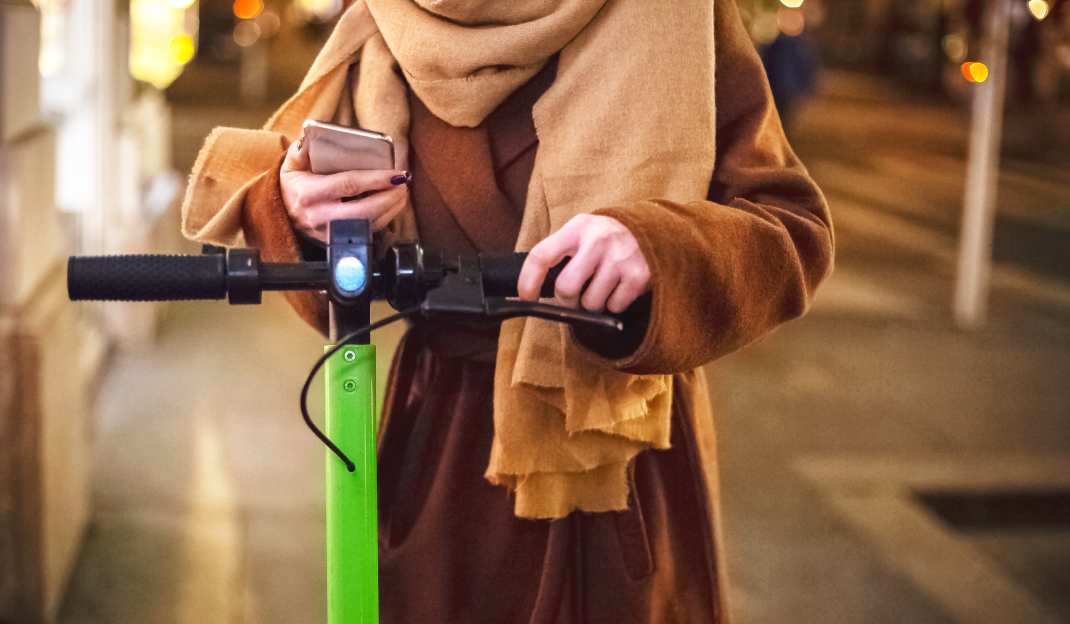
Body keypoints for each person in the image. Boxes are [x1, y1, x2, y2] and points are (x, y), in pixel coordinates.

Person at [181, 0, 834, 621]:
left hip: (620, 461)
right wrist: (303, 212)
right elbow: (331, 272)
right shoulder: (381, 24)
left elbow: (790, 227)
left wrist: (659, 248)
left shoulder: (677, 17)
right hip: (440, 453)